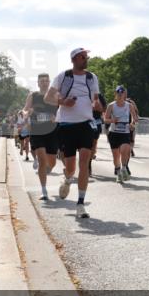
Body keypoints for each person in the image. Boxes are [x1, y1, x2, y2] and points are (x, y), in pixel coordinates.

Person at [45, 47, 102, 219]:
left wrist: (97, 104)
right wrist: (63, 102)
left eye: (86, 57)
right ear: (74, 59)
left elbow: (95, 99)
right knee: (70, 167)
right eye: (83, 57)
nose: (86, 59)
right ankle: (68, 179)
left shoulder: (92, 77)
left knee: (84, 162)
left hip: (85, 124)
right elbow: (48, 97)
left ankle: (80, 204)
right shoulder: (63, 76)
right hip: (66, 125)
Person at [23, 73, 60, 201]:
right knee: (42, 160)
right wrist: (26, 113)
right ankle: (44, 191)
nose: (44, 83)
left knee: (52, 162)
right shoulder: (33, 95)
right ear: (38, 83)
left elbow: (63, 110)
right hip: (37, 131)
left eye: (46, 81)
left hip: (53, 132)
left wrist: (57, 117)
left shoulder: (55, 95)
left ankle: (47, 168)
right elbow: (25, 109)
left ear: (49, 82)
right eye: (42, 81)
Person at [104, 86, 137, 183]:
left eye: (122, 93)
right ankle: (118, 173)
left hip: (125, 133)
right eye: (118, 93)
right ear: (115, 94)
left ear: (124, 95)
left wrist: (132, 124)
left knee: (125, 150)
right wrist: (113, 120)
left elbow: (135, 118)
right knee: (116, 156)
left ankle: (124, 168)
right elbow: (105, 119)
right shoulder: (111, 106)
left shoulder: (129, 105)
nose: (120, 94)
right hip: (114, 133)